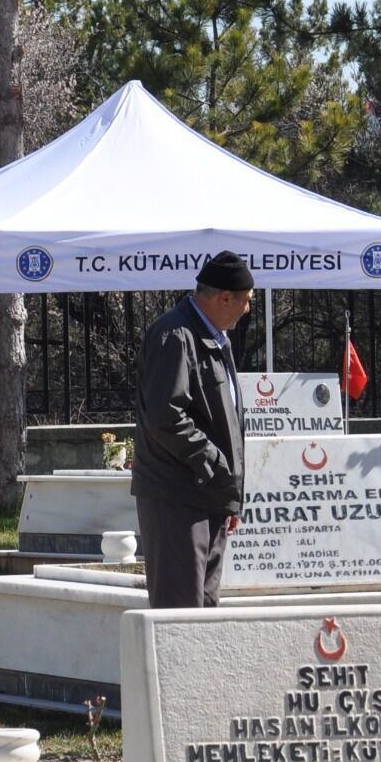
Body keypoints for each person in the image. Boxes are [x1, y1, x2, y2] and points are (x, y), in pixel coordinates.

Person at [133, 251, 252, 608]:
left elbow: (224, 419)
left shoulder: (211, 337)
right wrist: (214, 465)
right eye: (246, 301)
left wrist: (228, 495)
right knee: (179, 613)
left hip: (207, 495)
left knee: (203, 614)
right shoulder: (175, 335)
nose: (248, 310)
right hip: (178, 498)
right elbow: (165, 417)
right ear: (224, 297)